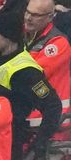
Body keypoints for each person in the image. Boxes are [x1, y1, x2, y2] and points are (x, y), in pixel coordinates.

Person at [0, 11, 62, 160]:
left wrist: (41, 140)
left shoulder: (27, 72)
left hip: (10, 141)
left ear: (8, 37)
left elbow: (52, 105)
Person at [24, 0, 71, 132]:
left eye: (35, 15)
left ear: (50, 16)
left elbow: (29, 75)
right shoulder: (22, 34)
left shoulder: (58, 43)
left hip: (52, 124)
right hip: (27, 119)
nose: (28, 17)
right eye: (27, 12)